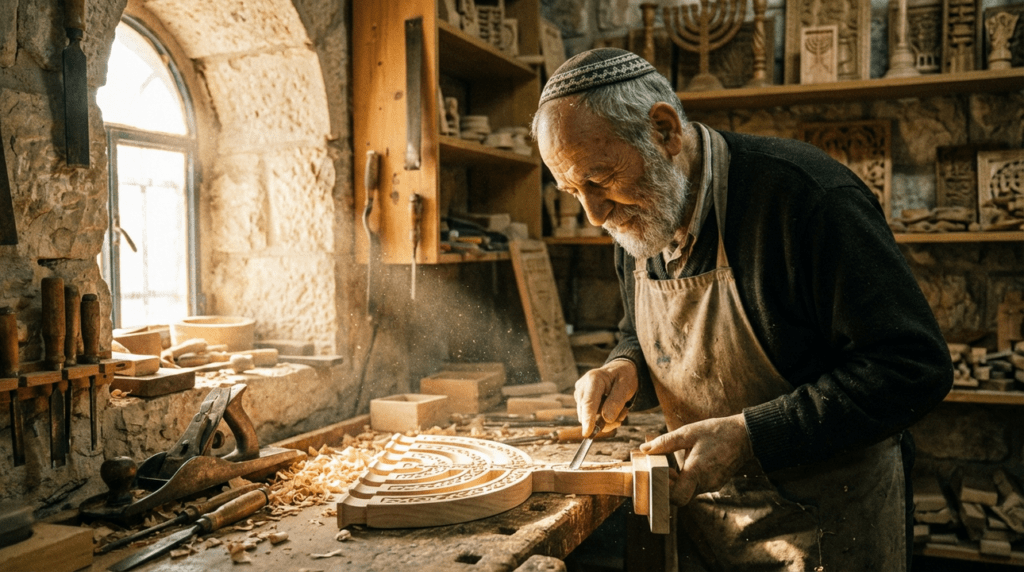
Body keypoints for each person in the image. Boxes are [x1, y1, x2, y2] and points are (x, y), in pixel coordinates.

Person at [532, 48, 953, 571]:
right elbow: (639, 330)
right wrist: (625, 367)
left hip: (828, 526)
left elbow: (914, 367)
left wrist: (751, 435)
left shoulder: (806, 198)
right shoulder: (636, 215)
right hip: (711, 523)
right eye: (573, 191)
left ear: (664, 131)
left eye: (597, 179)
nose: (593, 215)